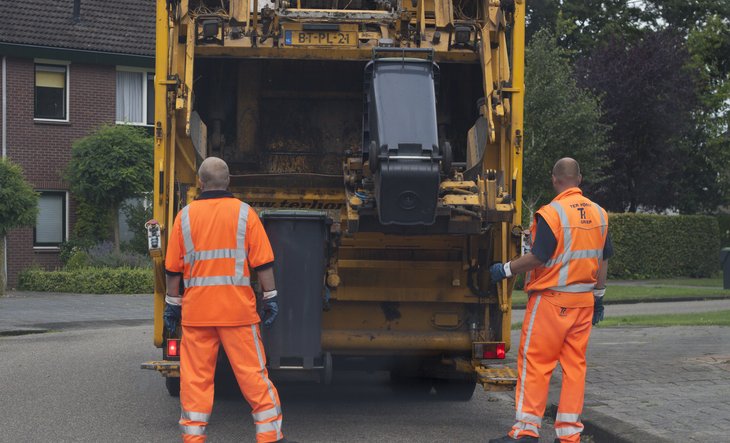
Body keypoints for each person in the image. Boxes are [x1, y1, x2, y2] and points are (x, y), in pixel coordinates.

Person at [164, 157, 292, 443]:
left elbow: (173, 268)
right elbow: (263, 264)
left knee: (195, 380)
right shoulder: (246, 214)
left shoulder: (184, 216)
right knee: (253, 375)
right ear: (229, 181)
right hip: (238, 314)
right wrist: (270, 298)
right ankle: (270, 435)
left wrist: (172, 304)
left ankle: (194, 438)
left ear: (200, 182)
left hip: (197, 315)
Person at [488, 158, 612, 443]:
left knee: (535, 363)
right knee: (574, 367)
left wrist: (505, 269)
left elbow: (538, 257)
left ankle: (526, 432)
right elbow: (603, 261)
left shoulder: (552, 213)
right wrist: (599, 299)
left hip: (551, 302)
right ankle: (568, 436)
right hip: (583, 304)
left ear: (554, 180)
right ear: (579, 179)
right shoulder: (600, 214)